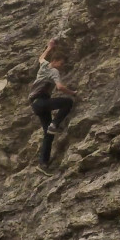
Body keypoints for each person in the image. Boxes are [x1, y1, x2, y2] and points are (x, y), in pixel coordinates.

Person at [28, 38, 77, 171]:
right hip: (42, 101)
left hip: (35, 105)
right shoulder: (54, 72)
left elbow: (41, 57)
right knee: (67, 102)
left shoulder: (44, 65)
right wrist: (72, 92)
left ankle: (43, 164)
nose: (61, 66)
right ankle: (55, 124)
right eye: (61, 64)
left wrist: (49, 48)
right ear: (55, 61)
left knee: (48, 134)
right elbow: (60, 87)